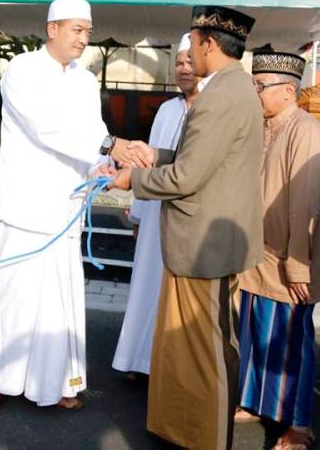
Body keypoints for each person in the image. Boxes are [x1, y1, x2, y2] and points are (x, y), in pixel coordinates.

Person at [111, 6, 263, 450]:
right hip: (203, 242)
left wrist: (131, 180)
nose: (188, 54)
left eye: (192, 44)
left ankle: (210, 439)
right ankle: (185, 431)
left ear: (208, 45)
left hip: (203, 246)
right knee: (187, 350)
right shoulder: (232, 87)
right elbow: (197, 159)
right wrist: (152, 153)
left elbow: (187, 178)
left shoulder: (219, 95)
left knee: (205, 353)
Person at [0, 0, 125, 419]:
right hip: (26, 205)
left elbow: (94, 131)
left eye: (87, 31)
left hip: (66, 205)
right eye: (77, 30)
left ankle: (56, 382)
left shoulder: (84, 80)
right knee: (14, 297)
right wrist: (110, 144)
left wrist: (108, 162)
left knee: (60, 301)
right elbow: (46, 127)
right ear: (52, 28)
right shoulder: (21, 70)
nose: (83, 39)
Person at [235, 50, 320, 450]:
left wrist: (299, 266)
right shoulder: (263, 125)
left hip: (289, 260)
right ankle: (259, 405)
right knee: (256, 336)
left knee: (291, 344)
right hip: (256, 256)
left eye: (261, 86)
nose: (255, 93)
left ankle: (300, 427)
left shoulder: (305, 129)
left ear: (288, 91)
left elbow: (306, 204)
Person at [112, 33, 201, 379]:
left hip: (184, 218)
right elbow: (148, 162)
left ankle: (163, 367)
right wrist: (136, 212)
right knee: (146, 285)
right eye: (178, 63)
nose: (183, 69)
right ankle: (138, 360)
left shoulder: (208, 110)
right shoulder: (166, 109)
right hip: (152, 213)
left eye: (189, 62)